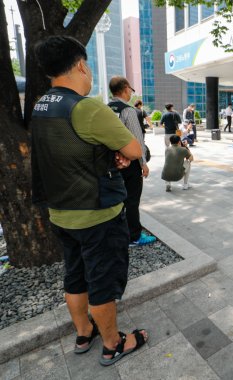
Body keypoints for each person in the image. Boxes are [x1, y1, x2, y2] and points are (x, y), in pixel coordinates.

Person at [30, 35, 148, 367]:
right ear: (81, 64)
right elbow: (134, 150)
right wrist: (117, 154)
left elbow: (68, 152)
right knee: (102, 281)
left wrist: (107, 155)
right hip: (96, 213)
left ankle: (84, 333)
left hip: (60, 212)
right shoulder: (86, 106)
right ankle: (113, 344)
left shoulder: (40, 105)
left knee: (75, 274)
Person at [108, 77, 156, 246]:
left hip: (112, 163)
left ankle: (119, 232)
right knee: (132, 200)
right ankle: (134, 236)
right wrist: (143, 162)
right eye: (131, 89)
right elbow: (137, 139)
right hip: (130, 163)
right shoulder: (128, 110)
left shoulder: (106, 108)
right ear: (126, 88)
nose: (131, 93)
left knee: (117, 200)